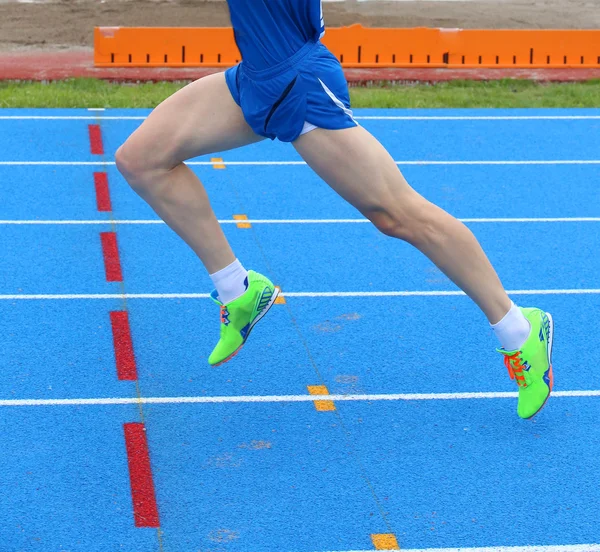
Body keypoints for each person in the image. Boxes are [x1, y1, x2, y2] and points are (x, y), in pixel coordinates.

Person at [115, 0, 553, 419]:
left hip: (298, 83)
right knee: (142, 160)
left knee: (397, 214)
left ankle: (519, 329)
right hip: (257, 78)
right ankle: (238, 289)